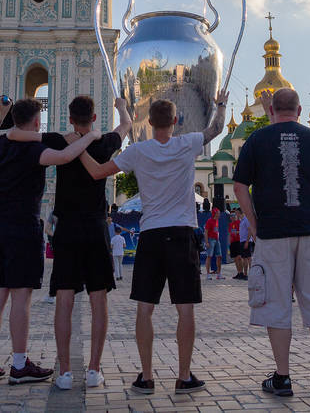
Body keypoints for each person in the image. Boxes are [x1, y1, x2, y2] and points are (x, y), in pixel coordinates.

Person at [82, 90, 228, 396]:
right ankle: (184, 376)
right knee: (185, 309)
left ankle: (146, 377)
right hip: (182, 233)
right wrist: (220, 104)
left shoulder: (139, 151)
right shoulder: (187, 144)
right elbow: (216, 129)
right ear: (176, 121)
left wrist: (78, 148)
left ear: (149, 122)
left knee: (144, 309)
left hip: (151, 235)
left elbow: (98, 172)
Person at [8, 94, 131, 390]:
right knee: (98, 300)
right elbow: (127, 125)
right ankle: (93, 370)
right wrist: (122, 106)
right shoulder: (104, 142)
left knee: (64, 299)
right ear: (95, 118)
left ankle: (64, 371)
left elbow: (15, 134)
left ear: (71, 118)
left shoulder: (59, 140)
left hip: (67, 230)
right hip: (97, 227)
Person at [233, 89, 310, 399]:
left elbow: (239, 185)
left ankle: (283, 378)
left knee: (276, 304)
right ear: (299, 110)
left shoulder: (257, 140)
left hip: (272, 234)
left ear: (271, 109)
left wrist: (253, 222)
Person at [0, 97, 101, 386]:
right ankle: (19, 365)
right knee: (21, 297)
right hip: (22, 230)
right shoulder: (35, 150)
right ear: (36, 122)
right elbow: (68, 156)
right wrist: (92, 135)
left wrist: (0, 118)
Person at [204, 207, 224, 280]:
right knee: (209, 256)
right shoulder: (209, 221)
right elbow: (206, 232)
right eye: (218, 213)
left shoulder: (217, 220)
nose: (219, 214)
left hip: (216, 239)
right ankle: (208, 274)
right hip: (210, 240)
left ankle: (219, 274)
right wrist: (207, 242)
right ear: (215, 214)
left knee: (219, 256)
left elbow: (216, 230)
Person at [228, 212, 244, 279]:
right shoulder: (230, 224)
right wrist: (229, 243)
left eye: (234, 216)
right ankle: (238, 272)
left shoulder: (239, 222)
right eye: (231, 216)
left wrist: (236, 232)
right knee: (235, 259)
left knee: (239, 258)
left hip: (238, 241)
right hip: (233, 242)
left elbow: (242, 231)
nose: (233, 217)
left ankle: (241, 272)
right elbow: (229, 233)